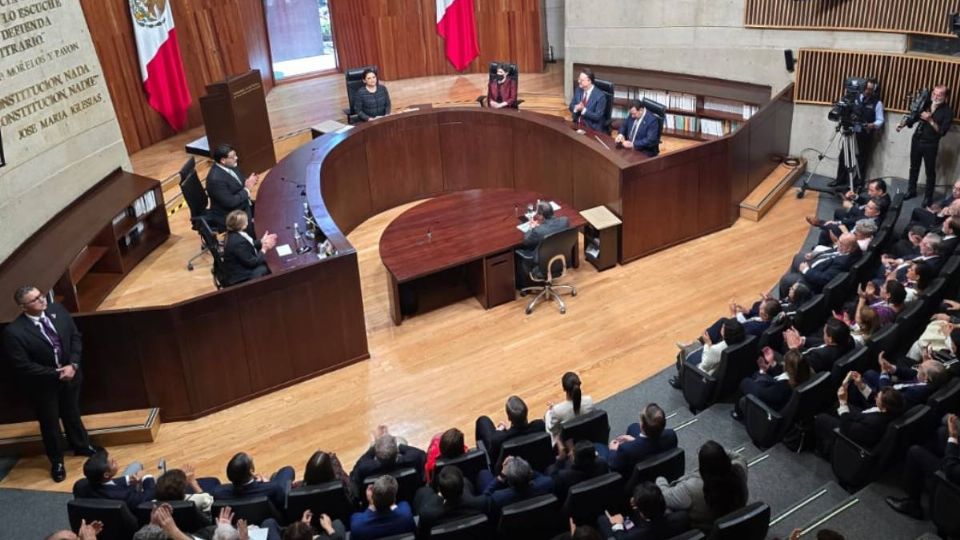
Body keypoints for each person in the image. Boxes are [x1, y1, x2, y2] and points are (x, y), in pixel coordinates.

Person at [2, 286, 95, 482]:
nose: (42, 300)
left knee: (72, 413)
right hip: (43, 385)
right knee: (50, 423)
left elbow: (75, 337)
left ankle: (81, 445)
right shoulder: (14, 332)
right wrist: (56, 373)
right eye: (35, 299)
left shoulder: (57, 310)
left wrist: (73, 365)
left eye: (40, 295)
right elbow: (23, 365)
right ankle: (57, 461)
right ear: (23, 307)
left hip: (71, 375)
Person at [656, 440, 748, 531]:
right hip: (729, 524)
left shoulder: (690, 488)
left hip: (703, 529)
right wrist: (716, 453)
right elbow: (739, 456)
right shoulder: (740, 469)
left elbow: (664, 496)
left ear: (703, 466)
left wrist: (660, 479)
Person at [885, 413, 960, 519]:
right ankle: (920, 477)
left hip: (952, 478)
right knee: (942, 430)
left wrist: (953, 437)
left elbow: (952, 470)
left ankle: (913, 505)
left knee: (914, 452)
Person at [814, 386, 905, 458]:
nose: (875, 396)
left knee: (821, 418)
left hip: (851, 434)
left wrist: (843, 402)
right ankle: (829, 442)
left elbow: (846, 429)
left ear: (884, 408)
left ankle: (824, 451)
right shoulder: (892, 409)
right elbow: (873, 404)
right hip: (863, 418)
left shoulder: (874, 423)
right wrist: (861, 385)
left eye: (878, 397)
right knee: (836, 405)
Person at [900, 85, 954, 206]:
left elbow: (942, 132)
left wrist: (930, 120)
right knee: (913, 167)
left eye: (939, 94)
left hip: (930, 144)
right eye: (934, 93)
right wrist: (902, 125)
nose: (935, 96)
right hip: (917, 140)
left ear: (945, 96)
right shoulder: (926, 104)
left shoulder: (947, 112)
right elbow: (913, 118)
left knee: (930, 171)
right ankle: (911, 190)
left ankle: (928, 197)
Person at [830, 79, 884, 189]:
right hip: (850, 132)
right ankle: (840, 180)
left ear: (874, 90)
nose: (868, 91)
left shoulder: (877, 103)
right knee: (843, 157)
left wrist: (873, 125)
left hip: (865, 135)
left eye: (870, 89)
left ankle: (857, 184)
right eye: (866, 88)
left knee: (861, 160)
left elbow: (880, 119)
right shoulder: (853, 98)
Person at [732, 349, 811, 421]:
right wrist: (769, 366)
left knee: (745, 382)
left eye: (784, 363)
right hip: (776, 399)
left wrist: (750, 383)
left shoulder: (783, 387)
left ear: (788, 369)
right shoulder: (802, 376)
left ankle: (737, 413)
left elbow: (762, 394)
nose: (783, 363)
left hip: (771, 411)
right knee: (758, 375)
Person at [602, 403, 677, 476]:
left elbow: (613, 465)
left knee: (599, 446)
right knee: (633, 427)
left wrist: (613, 450)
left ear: (642, 426)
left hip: (636, 480)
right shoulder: (671, 435)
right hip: (663, 470)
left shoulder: (626, 449)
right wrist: (636, 441)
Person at [597, 481, 690, 540]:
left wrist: (618, 524)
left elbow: (621, 537)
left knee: (602, 519)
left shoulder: (634, 536)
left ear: (642, 513)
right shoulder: (682, 517)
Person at [413, 465, 488, 536]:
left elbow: (423, 535)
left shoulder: (427, 515)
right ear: (463, 488)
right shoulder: (480, 504)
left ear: (440, 492)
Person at [475, 395, 547, 467]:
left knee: (482, 420)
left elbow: (495, 449)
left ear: (509, 418)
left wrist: (499, 430)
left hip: (508, 472)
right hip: (536, 463)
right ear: (526, 413)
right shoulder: (540, 425)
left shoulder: (498, 439)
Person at [514, 200, 572, 289]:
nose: (536, 215)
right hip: (561, 261)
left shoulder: (538, 231)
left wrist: (532, 228)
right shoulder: (565, 221)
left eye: (537, 213)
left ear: (541, 216)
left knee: (517, 252)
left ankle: (522, 286)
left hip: (541, 267)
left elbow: (526, 241)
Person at [349, 431, 427, 495]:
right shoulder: (413, 458)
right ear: (397, 452)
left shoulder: (365, 467)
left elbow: (354, 475)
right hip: (410, 494)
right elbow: (422, 455)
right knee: (401, 439)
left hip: (380, 499)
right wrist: (398, 445)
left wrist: (374, 446)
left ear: (376, 456)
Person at [212, 452, 295, 512]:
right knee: (287, 470)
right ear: (251, 471)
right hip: (269, 520)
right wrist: (267, 484)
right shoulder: (272, 488)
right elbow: (282, 504)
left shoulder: (218, 492)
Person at [206, 143, 258, 233]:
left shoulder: (231, 166)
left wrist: (247, 181)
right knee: (258, 229)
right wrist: (247, 189)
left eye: (235, 155)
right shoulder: (215, 180)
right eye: (233, 156)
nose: (236, 158)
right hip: (231, 215)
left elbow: (239, 180)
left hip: (242, 204)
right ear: (223, 160)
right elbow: (230, 202)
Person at [82, 449, 156, 511]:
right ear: (106, 475)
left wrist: (128, 480)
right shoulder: (123, 495)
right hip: (133, 516)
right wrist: (146, 477)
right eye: (112, 463)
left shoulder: (80, 485)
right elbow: (146, 496)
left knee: (136, 465)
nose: (115, 460)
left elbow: (109, 484)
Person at [349, 475, 416, 540]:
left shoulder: (357, 524)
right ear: (394, 499)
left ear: (372, 497)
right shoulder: (406, 515)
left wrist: (371, 503)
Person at [222, 209, 277, 286]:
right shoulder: (238, 242)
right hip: (242, 276)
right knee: (271, 266)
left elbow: (249, 244)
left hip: (240, 268)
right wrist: (264, 249)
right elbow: (252, 262)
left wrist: (261, 241)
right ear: (242, 225)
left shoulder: (234, 234)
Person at [481, 455, 555, 512]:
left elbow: (484, 498)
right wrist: (524, 469)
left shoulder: (498, 497)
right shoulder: (547, 483)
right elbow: (538, 476)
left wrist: (502, 475)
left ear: (508, 482)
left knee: (484, 473)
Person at [545, 372, 595, 443]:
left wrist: (552, 410)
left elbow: (553, 429)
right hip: (586, 435)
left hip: (568, 442)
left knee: (548, 414)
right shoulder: (589, 400)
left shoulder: (557, 410)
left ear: (564, 389)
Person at [568, 68, 608, 132]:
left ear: (589, 81)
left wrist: (583, 110)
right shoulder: (578, 90)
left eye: (581, 80)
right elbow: (570, 106)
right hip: (576, 124)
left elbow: (597, 116)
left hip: (590, 128)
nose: (579, 81)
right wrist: (576, 107)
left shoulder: (600, 96)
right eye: (579, 79)